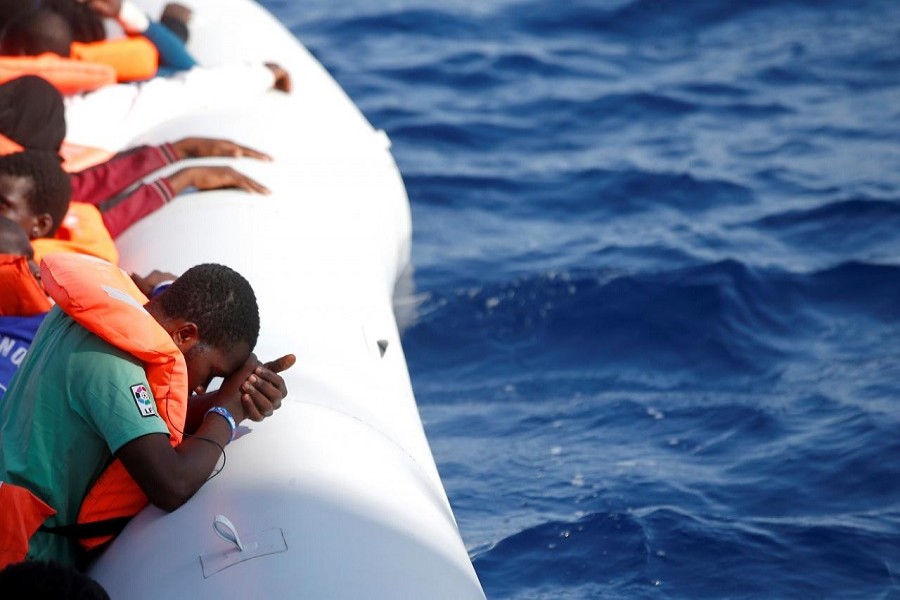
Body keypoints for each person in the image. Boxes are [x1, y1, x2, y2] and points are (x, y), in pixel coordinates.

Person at [0, 252, 295, 567]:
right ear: (185, 335)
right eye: (211, 375)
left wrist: (238, 393)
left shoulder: (85, 316)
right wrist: (228, 411)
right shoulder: (114, 366)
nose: (200, 388)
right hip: (19, 553)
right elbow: (172, 484)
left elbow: (145, 418)